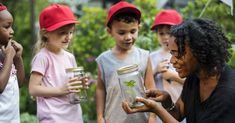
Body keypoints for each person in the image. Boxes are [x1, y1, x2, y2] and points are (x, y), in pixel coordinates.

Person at [122, 18, 235, 123]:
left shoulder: (227, 93)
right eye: (172, 53)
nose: (172, 61)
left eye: (178, 54)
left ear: (199, 51)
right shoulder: (195, 77)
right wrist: (167, 101)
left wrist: (156, 109)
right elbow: (178, 113)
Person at [96, 1, 156, 123]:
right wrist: (100, 117)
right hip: (113, 119)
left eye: (133, 31)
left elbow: (151, 88)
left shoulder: (144, 56)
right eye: (122, 33)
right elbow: (100, 90)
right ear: (109, 31)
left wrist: (152, 116)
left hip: (141, 119)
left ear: (138, 28)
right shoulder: (103, 60)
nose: (128, 37)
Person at [29, 4, 85, 123]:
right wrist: (60, 90)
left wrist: (80, 84)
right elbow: (33, 89)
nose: (68, 37)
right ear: (45, 33)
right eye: (62, 33)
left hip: (73, 116)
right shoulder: (43, 57)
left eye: (71, 32)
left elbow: (72, 87)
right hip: (53, 117)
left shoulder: (69, 57)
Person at [150, 9, 185, 123]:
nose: (165, 37)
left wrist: (173, 75)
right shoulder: (152, 57)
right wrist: (155, 70)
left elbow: (191, 82)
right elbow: (146, 82)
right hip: (159, 110)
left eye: (169, 32)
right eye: (161, 33)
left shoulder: (184, 55)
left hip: (182, 107)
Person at [0, 3, 25, 123]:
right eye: (7, 27)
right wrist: (9, 57)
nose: (12, 31)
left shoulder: (5, 51)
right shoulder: (7, 54)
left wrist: (17, 58)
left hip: (13, 119)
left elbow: (19, 83)